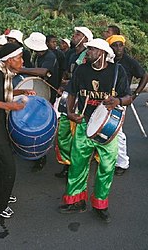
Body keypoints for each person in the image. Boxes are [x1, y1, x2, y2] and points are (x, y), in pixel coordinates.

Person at [58, 38, 132, 223]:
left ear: (102, 53)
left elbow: (128, 97)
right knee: (77, 164)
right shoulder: (82, 70)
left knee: (107, 167)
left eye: (91, 49)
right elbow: (72, 92)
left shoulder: (117, 71)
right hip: (84, 124)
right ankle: (76, 201)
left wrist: (119, 101)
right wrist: (70, 112)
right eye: (88, 49)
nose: (87, 52)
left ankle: (100, 205)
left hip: (108, 128)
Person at [0, 43, 35, 219]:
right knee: (6, 165)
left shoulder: (4, 72)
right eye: (20, 58)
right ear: (10, 60)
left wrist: (22, 90)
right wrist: (9, 105)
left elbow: (2, 91)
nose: (22, 61)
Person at [55, 27, 94, 179]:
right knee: (63, 131)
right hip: (69, 95)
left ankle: (76, 167)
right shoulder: (71, 54)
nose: (74, 36)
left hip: (82, 100)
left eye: (78, 34)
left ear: (85, 39)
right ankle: (67, 163)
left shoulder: (88, 56)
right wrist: (61, 85)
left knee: (78, 135)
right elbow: (66, 72)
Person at [107, 35, 148, 176]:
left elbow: (144, 75)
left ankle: (122, 163)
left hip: (121, 100)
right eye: (115, 45)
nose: (118, 48)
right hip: (105, 100)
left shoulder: (129, 61)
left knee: (118, 132)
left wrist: (135, 94)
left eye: (120, 45)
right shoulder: (107, 59)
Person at [24, 32, 59, 172]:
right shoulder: (38, 55)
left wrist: (21, 69)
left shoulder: (50, 56)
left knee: (42, 127)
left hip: (48, 96)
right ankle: (37, 153)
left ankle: (41, 155)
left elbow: (44, 71)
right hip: (40, 94)